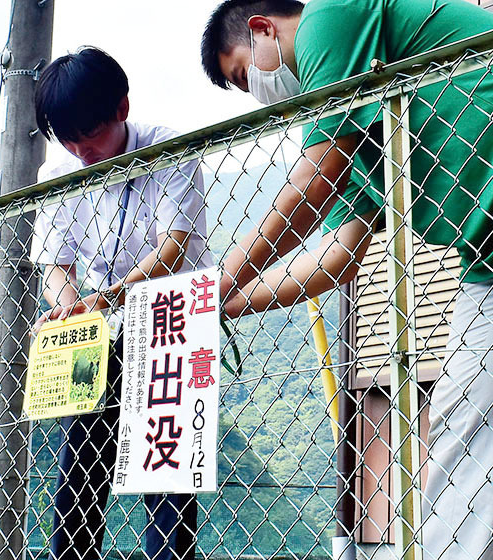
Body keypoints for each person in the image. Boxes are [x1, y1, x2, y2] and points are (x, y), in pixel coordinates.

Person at [201, 1, 493, 558]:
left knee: (466, 444)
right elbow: (337, 255)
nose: (258, 91)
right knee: (468, 435)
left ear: (261, 28)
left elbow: (310, 187)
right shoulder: (358, 125)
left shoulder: (326, 21)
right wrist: (225, 305)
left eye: (245, 74)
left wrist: (217, 280)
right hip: (485, 261)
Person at [30, 47, 212, 560]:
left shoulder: (168, 148)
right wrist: (72, 309)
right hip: (97, 330)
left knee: (168, 478)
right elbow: (56, 265)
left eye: (90, 136)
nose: (80, 151)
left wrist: (100, 299)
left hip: (170, 318)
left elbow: (172, 247)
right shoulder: (59, 171)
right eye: (67, 139)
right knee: (78, 474)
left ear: (122, 108)